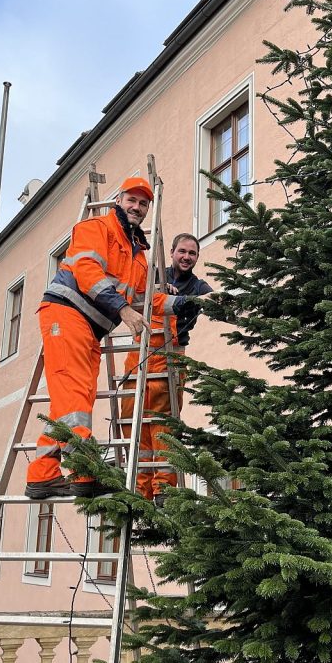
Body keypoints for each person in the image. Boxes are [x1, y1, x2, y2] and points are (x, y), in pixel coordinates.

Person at [25, 176, 191, 501]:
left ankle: (42, 477)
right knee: (74, 401)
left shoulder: (138, 255)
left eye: (144, 203)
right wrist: (123, 310)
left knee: (73, 405)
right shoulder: (96, 228)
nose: (138, 207)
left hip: (90, 329)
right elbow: (88, 272)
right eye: (133, 200)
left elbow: (147, 299)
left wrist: (189, 301)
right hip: (66, 315)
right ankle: (85, 475)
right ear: (119, 199)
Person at [121, 232, 212, 504]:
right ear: (172, 252)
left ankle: (162, 488)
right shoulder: (154, 275)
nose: (186, 257)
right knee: (132, 419)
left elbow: (213, 299)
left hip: (172, 354)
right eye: (182, 251)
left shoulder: (198, 286)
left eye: (192, 253)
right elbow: (135, 290)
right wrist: (160, 292)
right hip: (140, 351)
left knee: (163, 423)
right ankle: (138, 488)